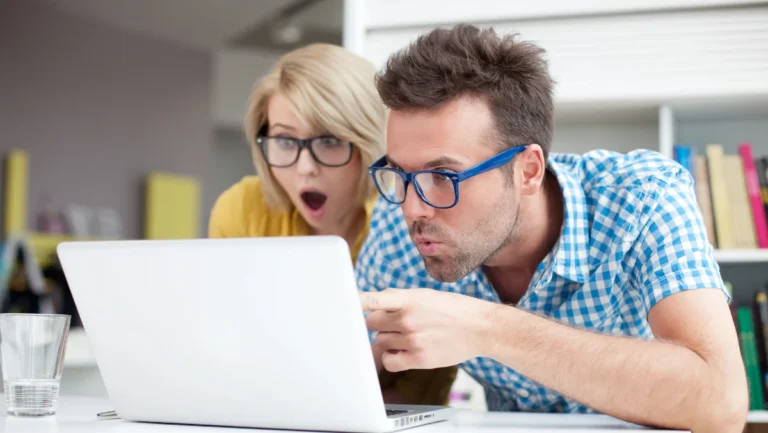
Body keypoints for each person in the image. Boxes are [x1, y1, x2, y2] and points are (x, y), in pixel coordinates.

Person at [356, 25, 747, 433]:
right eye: (400, 175)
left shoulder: (642, 196)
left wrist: (486, 327)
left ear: (528, 170)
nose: (412, 207)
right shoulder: (396, 229)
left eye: (443, 176)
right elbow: (359, 387)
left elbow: (723, 404)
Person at [207, 43, 457, 406]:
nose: (304, 167)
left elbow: (417, 383)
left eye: (328, 141)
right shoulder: (242, 210)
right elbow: (228, 342)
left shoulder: (408, 225)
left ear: (367, 143)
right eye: (285, 140)